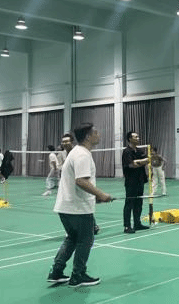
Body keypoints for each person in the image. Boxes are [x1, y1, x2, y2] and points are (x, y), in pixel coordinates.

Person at [47, 123, 114, 287]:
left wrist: (94, 196)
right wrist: (100, 194)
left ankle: (56, 272)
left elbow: (77, 181)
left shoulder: (77, 153)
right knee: (86, 240)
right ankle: (78, 275)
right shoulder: (82, 155)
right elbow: (81, 181)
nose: (99, 135)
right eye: (96, 132)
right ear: (88, 137)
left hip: (66, 206)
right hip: (77, 208)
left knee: (71, 239)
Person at [60, 133, 100, 235]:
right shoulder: (63, 154)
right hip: (71, 186)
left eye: (67, 141)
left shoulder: (78, 153)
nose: (65, 143)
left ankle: (93, 226)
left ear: (72, 142)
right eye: (63, 142)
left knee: (84, 205)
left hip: (80, 184)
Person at [122, 131, 150, 234]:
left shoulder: (140, 150)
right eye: (135, 137)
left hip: (140, 180)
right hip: (131, 182)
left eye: (138, 136)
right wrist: (142, 161)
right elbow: (131, 165)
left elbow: (148, 160)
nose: (138, 138)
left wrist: (139, 162)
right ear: (130, 139)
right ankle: (127, 226)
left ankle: (137, 223)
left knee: (139, 203)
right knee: (129, 204)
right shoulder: (127, 152)